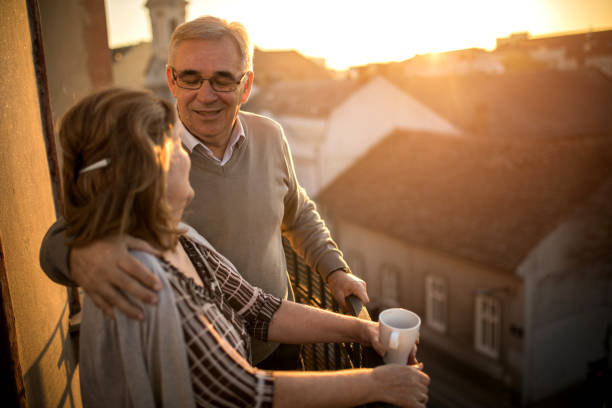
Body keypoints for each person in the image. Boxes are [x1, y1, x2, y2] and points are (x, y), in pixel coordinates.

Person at [58, 87, 429, 407]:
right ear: (149, 172)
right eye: (175, 147)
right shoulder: (143, 281)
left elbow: (259, 308)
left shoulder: (181, 239)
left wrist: (362, 330)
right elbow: (244, 394)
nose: (187, 154)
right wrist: (377, 384)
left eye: (222, 79)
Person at [39, 15, 368, 368]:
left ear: (246, 85)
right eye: (191, 78)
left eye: (223, 80)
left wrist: (335, 271)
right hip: (199, 366)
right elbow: (55, 245)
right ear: (172, 80)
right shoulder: (148, 153)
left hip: (281, 344)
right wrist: (84, 257)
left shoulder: (270, 136)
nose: (205, 95)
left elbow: (298, 212)